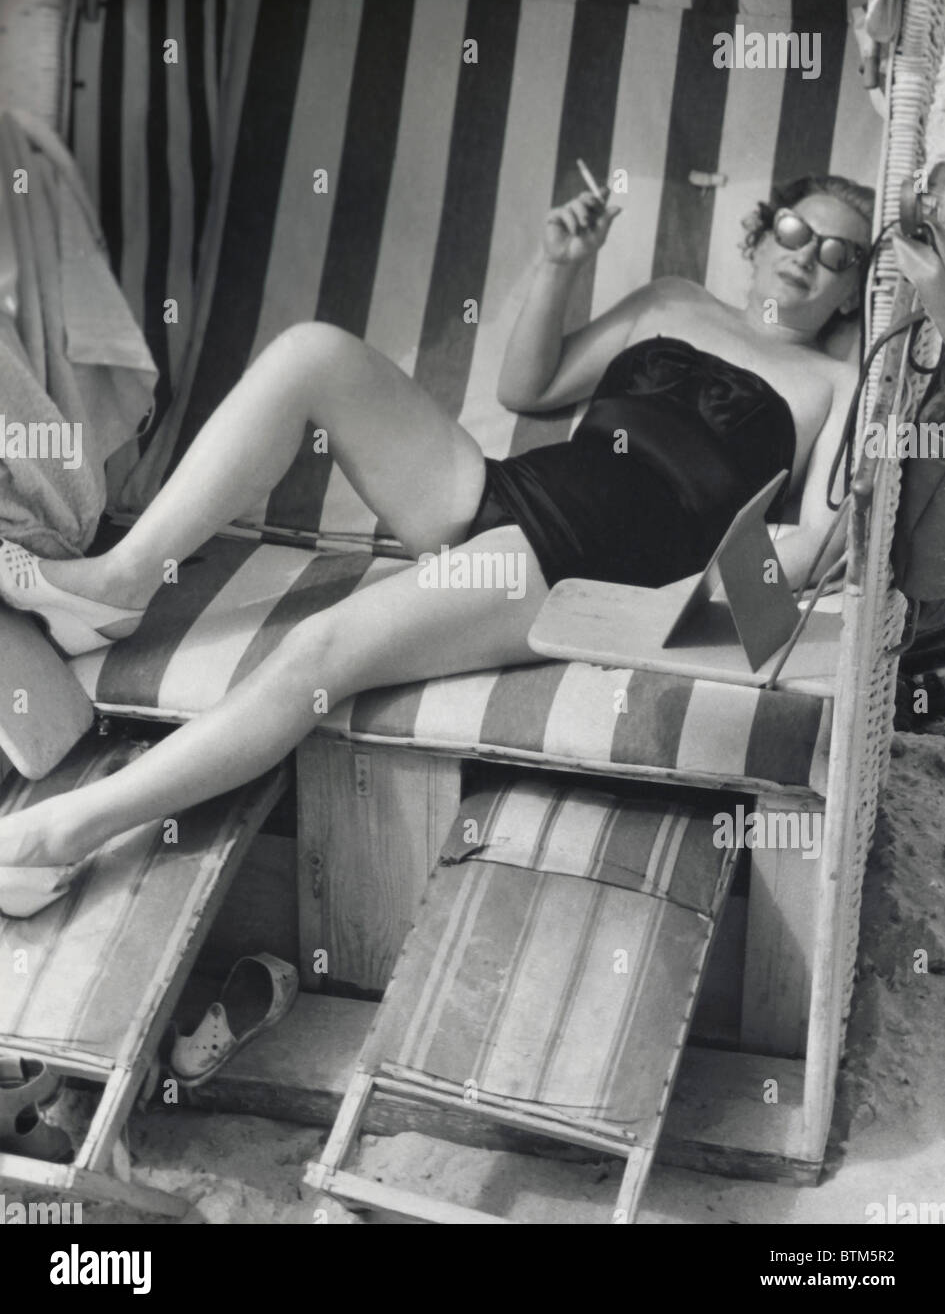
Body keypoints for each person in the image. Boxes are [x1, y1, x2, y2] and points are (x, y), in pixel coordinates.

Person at [0, 173, 876, 916]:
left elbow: (808, 536)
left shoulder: (835, 382)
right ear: (762, 234)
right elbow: (527, 387)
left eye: (840, 254)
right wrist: (559, 267)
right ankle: (118, 585)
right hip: (514, 492)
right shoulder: (672, 299)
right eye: (798, 229)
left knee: (321, 650)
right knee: (313, 352)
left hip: (588, 564)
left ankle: (58, 834)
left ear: (850, 292)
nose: (809, 256)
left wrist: (673, 609)